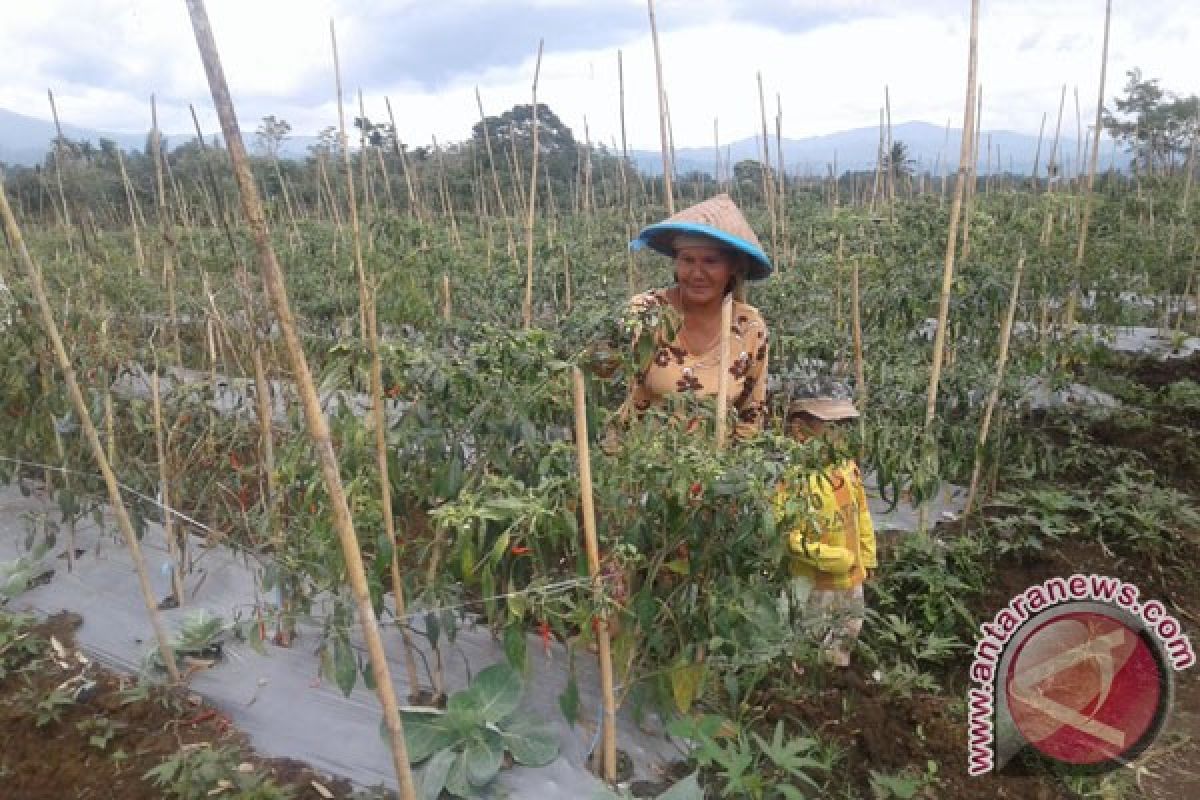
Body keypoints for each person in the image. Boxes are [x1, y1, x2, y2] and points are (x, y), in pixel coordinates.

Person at [625, 194, 772, 440]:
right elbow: (614, 396)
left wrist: (732, 472)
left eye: (711, 262)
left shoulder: (749, 328)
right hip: (643, 463)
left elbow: (751, 414)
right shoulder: (645, 313)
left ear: (733, 268)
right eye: (687, 260)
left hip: (716, 469)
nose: (697, 273)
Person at [774, 382, 877, 667]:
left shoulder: (847, 469)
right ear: (799, 430)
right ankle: (804, 685)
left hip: (852, 579)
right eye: (829, 426)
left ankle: (835, 679)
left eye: (841, 426)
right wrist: (837, 558)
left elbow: (861, 517)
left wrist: (866, 559)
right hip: (814, 583)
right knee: (810, 637)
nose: (838, 434)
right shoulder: (794, 480)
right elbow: (788, 536)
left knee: (849, 629)